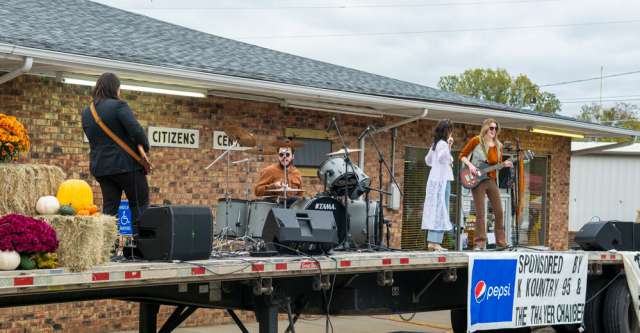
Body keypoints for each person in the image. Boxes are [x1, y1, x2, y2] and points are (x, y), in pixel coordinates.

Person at [81, 72, 151, 224]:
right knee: (140, 207)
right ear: (115, 89)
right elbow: (136, 131)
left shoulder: (87, 112)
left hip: (101, 168)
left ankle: (108, 247)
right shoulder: (119, 106)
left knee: (109, 211)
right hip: (126, 166)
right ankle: (141, 247)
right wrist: (145, 148)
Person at [459, 118, 512, 250]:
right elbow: (462, 155)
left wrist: (504, 164)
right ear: (486, 128)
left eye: (496, 128)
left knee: (499, 211)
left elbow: (496, 166)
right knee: (481, 212)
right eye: (491, 128)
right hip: (477, 180)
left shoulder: (499, 146)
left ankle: (501, 242)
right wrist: (471, 166)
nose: (494, 130)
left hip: (491, 180)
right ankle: (480, 243)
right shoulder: (477, 140)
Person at [421, 120, 454, 251]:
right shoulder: (443, 144)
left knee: (435, 209)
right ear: (448, 131)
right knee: (442, 210)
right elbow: (444, 158)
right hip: (442, 181)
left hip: (433, 180)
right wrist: (449, 146)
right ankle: (435, 242)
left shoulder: (435, 144)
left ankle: (432, 242)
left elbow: (428, 160)